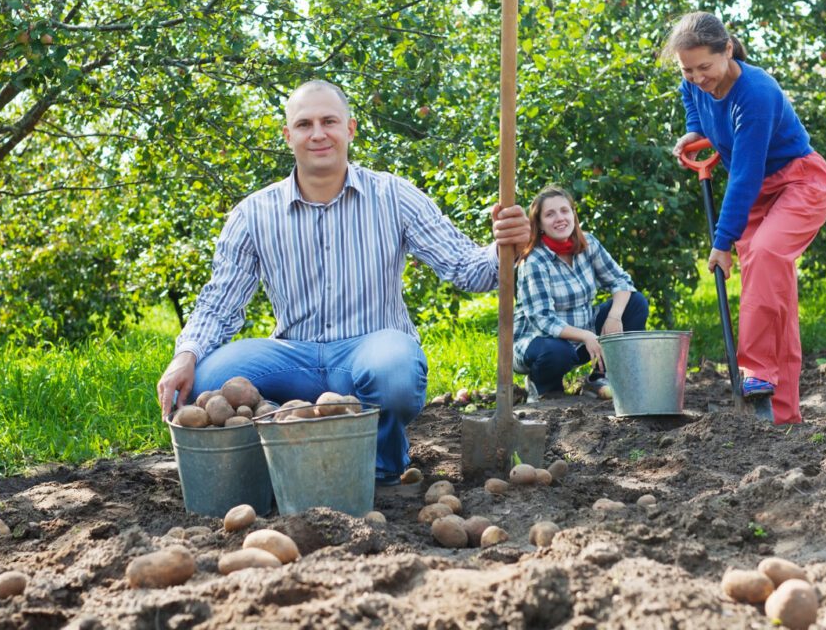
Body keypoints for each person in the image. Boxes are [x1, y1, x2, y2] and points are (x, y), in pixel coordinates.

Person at [155, 79, 531, 484]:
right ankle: (284, 453)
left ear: (350, 129)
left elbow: (466, 268)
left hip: (369, 352)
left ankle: (381, 464)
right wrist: (186, 355)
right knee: (208, 381)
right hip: (293, 358)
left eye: (329, 121)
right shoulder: (254, 214)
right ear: (288, 136)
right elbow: (220, 302)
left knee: (394, 371)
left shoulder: (393, 196)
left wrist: (506, 247)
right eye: (304, 124)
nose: (318, 133)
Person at [666, 11, 826, 424]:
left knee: (761, 253)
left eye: (705, 67)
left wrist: (722, 244)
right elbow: (692, 98)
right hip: (758, 198)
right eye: (687, 69)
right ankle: (783, 415)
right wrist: (693, 129)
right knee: (778, 303)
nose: (697, 77)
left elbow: (742, 175)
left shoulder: (755, 94)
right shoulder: (694, 80)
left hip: (799, 184)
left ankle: (756, 371)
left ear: (727, 50)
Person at [512, 185, 649, 400]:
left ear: (574, 215)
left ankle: (600, 378)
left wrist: (613, 317)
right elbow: (543, 319)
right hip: (541, 341)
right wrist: (586, 335)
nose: (560, 218)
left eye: (565, 211)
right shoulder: (534, 261)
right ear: (538, 224)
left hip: (585, 333)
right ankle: (543, 386)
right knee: (557, 352)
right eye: (550, 214)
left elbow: (621, 281)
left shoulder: (588, 243)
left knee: (636, 304)